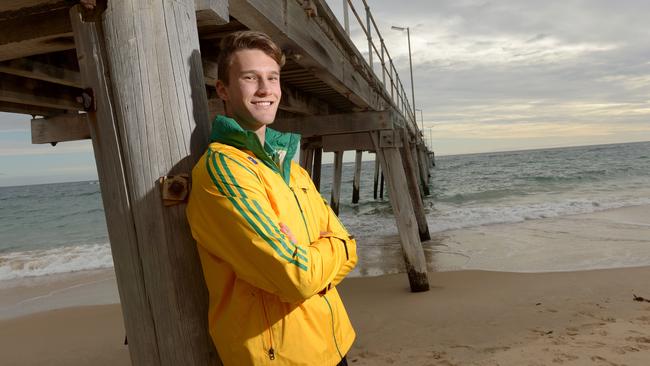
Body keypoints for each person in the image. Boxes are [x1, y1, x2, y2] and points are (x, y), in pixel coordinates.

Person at [186, 30, 358, 366]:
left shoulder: (292, 169)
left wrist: (319, 251)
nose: (265, 90)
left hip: (332, 343)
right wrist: (327, 248)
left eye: (272, 78)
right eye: (250, 78)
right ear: (223, 89)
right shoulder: (223, 168)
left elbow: (350, 246)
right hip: (279, 357)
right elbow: (297, 277)